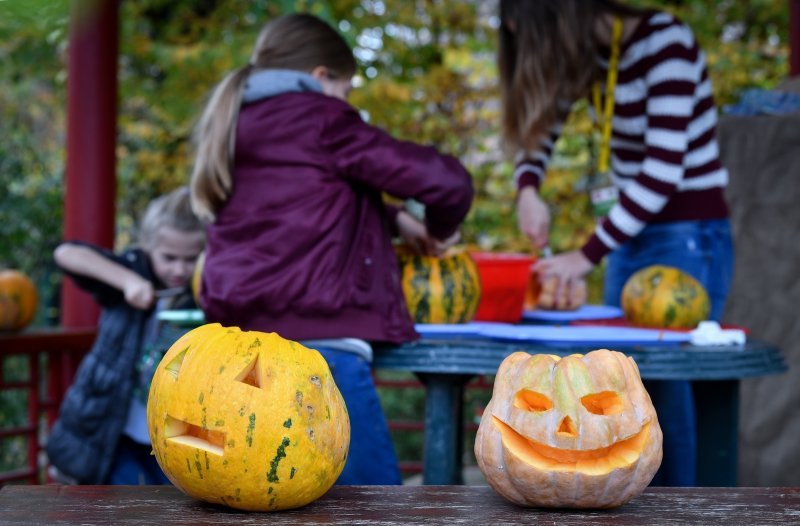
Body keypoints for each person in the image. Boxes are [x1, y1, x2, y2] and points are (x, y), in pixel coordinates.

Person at [189, 13, 473, 485]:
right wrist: (439, 230)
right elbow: (446, 183)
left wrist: (395, 219)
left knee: (260, 501)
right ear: (322, 78)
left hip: (233, 358)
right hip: (324, 357)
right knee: (371, 509)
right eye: (348, 89)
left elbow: (302, 205)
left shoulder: (234, 120)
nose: (349, 102)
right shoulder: (323, 118)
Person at [497, 0, 734, 486]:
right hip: (630, 235)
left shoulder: (663, 41)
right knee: (625, 382)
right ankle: (633, 503)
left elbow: (664, 170)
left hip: (685, 234)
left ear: (564, 20)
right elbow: (542, 128)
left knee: (667, 381)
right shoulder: (594, 56)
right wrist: (527, 190)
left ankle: (682, 514)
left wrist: (584, 256)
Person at [46, 186, 206, 485]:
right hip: (115, 426)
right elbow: (66, 253)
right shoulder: (131, 268)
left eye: (190, 259)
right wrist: (127, 281)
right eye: (169, 257)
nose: (180, 269)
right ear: (148, 246)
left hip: (175, 433)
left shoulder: (203, 292)